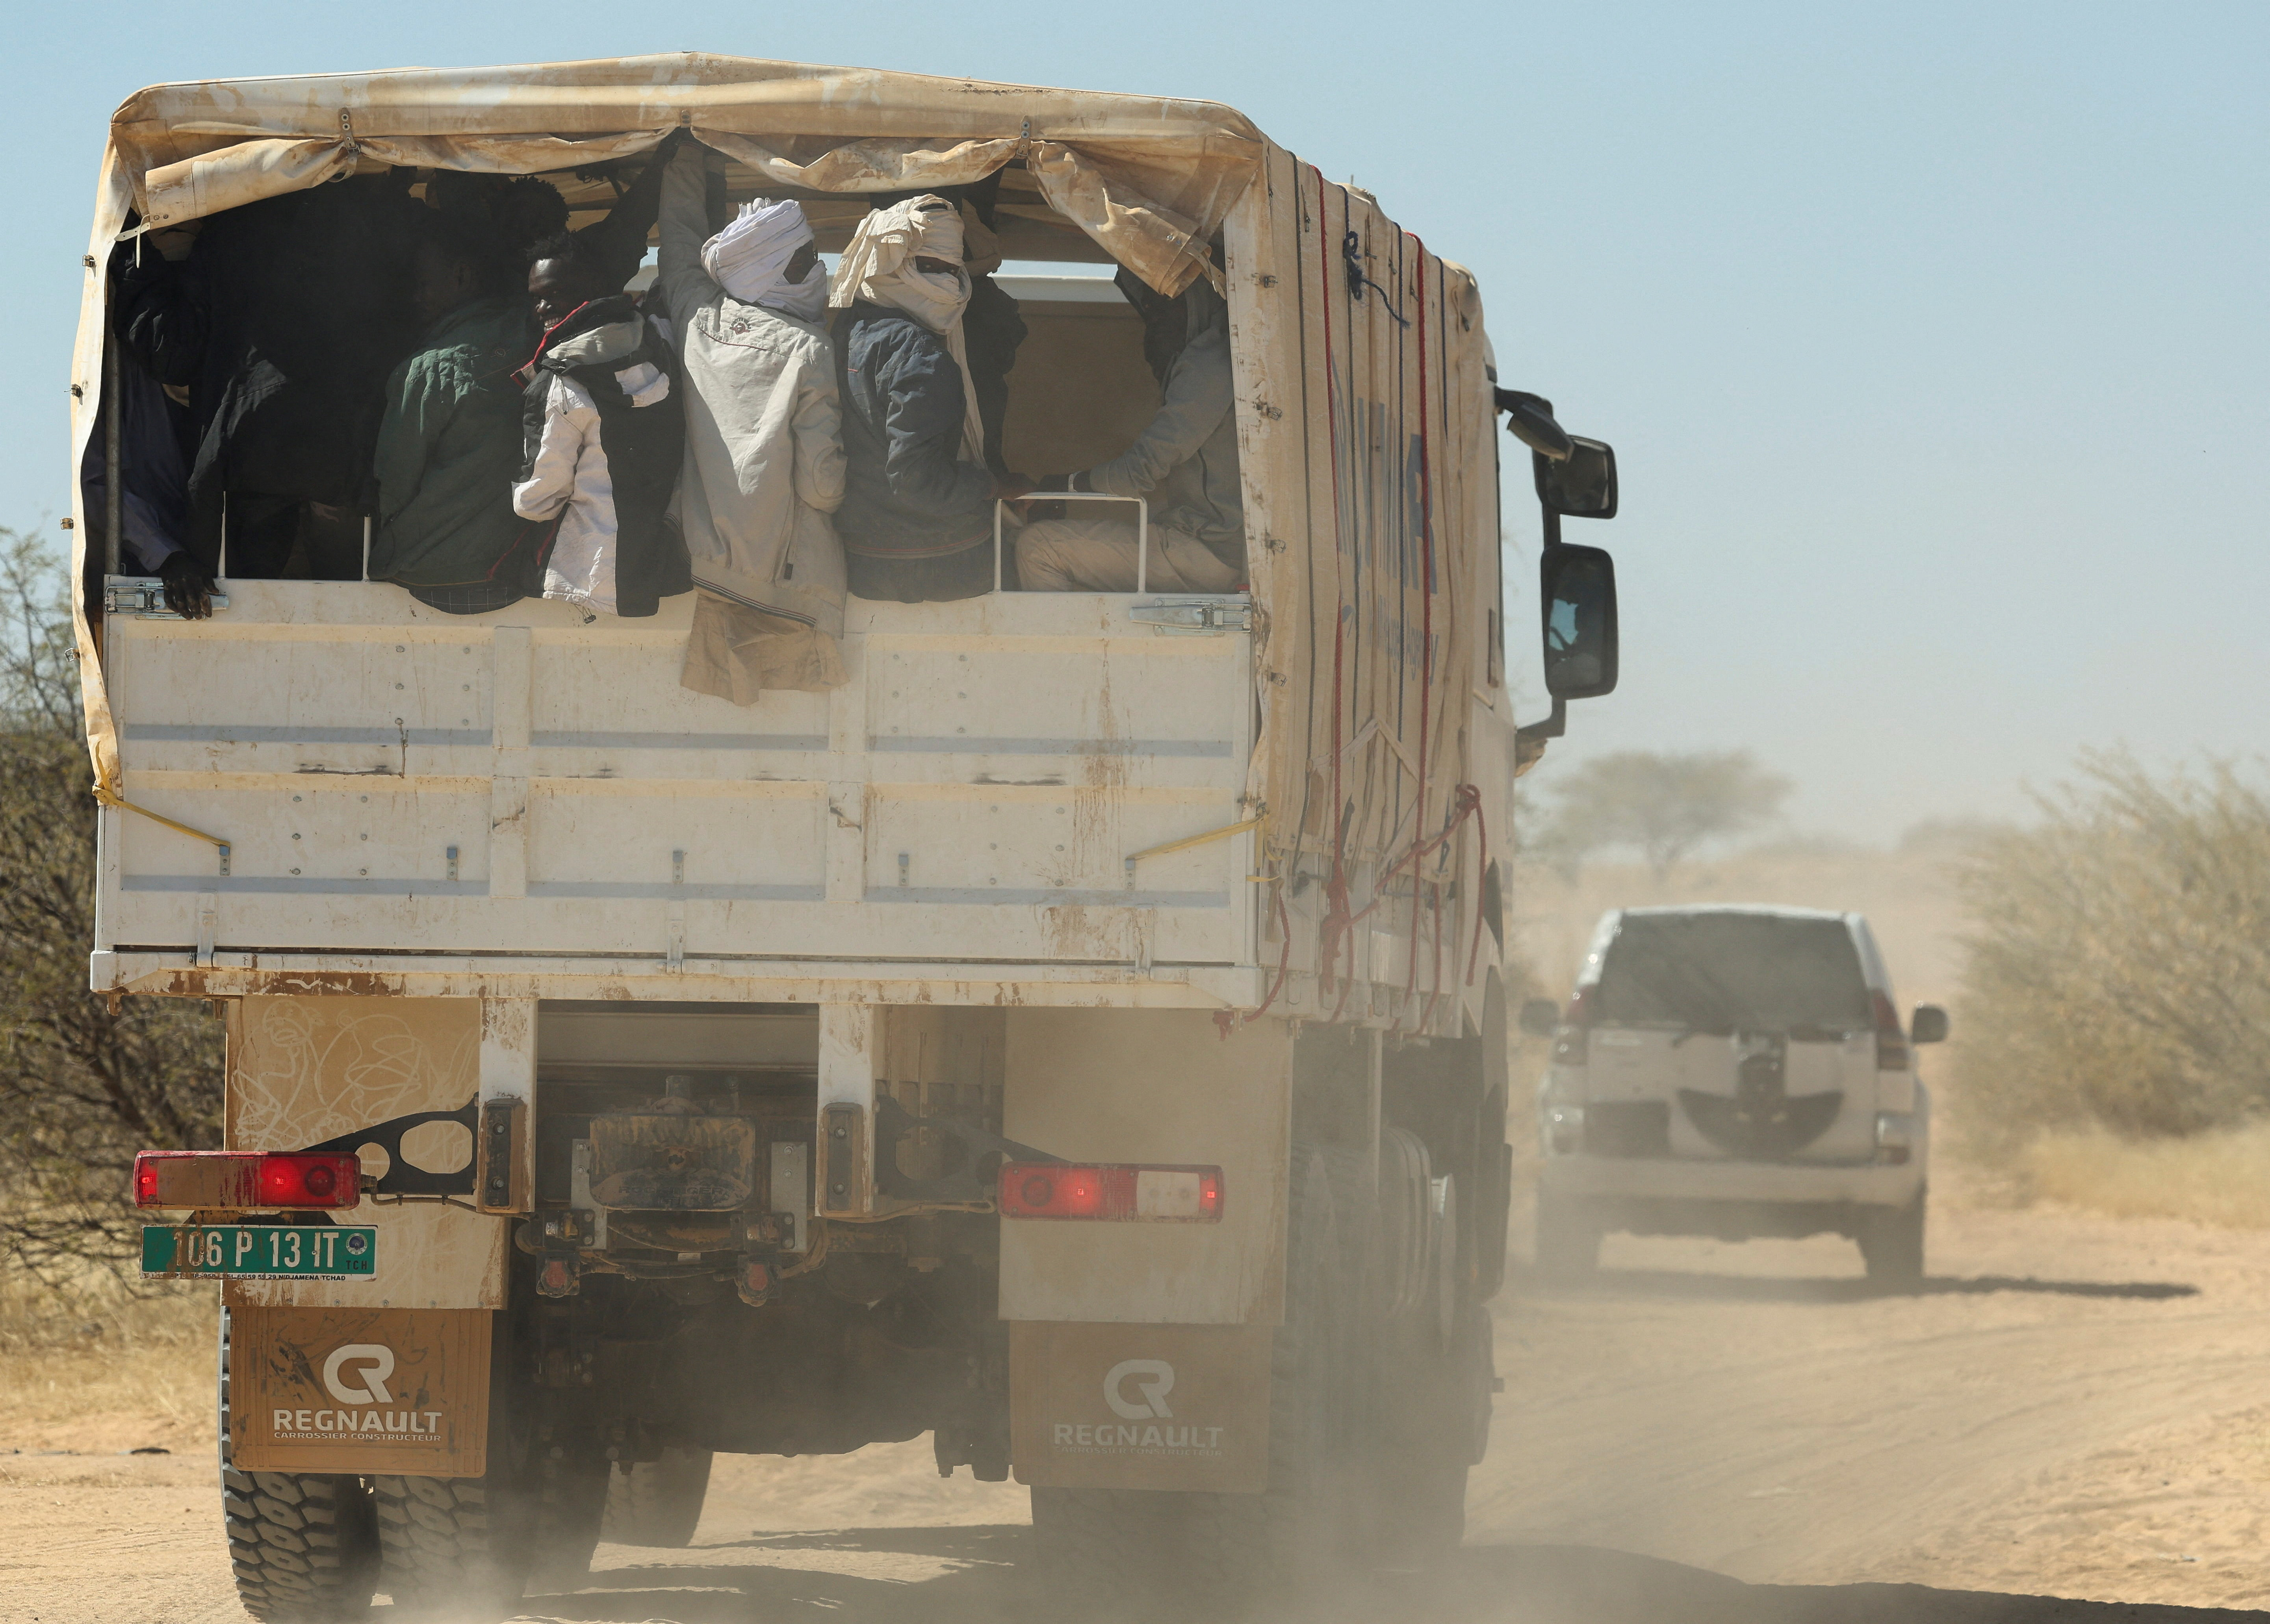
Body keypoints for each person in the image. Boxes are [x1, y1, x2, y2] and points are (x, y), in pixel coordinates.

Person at [109, 176, 428, 613]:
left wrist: (133, 256)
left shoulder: (233, 233)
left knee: (246, 608)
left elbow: (172, 354)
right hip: (355, 464)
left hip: (250, 461)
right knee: (354, 605)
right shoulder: (380, 231)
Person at [653, 139, 850, 701]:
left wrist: (687, 156)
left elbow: (679, 239)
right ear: (768, 269)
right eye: (805, 260)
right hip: (782, 581)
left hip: (700, 561)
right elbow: (822, 486)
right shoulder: (810, 350)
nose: (818, 270)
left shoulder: (694, 314)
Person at [829, 195, 1027, 603]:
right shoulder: (922, 355)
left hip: (863, 565)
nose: (949, 285)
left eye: (952, 271)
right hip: (945, 564)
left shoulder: (846, 333)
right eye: (932, 268)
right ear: (896, 261)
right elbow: (917, 481)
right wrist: (992, 485)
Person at [1015, 269, 1245, 594]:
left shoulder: (1209, 367)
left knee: (1037, 548)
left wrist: (1062, 486)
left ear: (1195, 303)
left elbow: (1140, 471)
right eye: (1149, 311)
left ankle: (1063, 647)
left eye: (1165, 306)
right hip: (1208, 543)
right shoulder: (1217, 356)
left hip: (1208, 552)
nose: (1154, 323)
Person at [509, 230, 690, 618]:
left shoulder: (560, 380)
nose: (541, 308)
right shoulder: (660, 342)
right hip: (663, 563)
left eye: (553, 294)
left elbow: (537, 501)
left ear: (591, 290)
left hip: (583, 580)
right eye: (535, 297)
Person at [368, 210, 540, 613]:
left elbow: (395, 477)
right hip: (522, 570)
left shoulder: (429, 369)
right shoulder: (540, 331)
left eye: (424, 283)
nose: (415, 296)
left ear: (461, 277)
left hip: (434, 572)